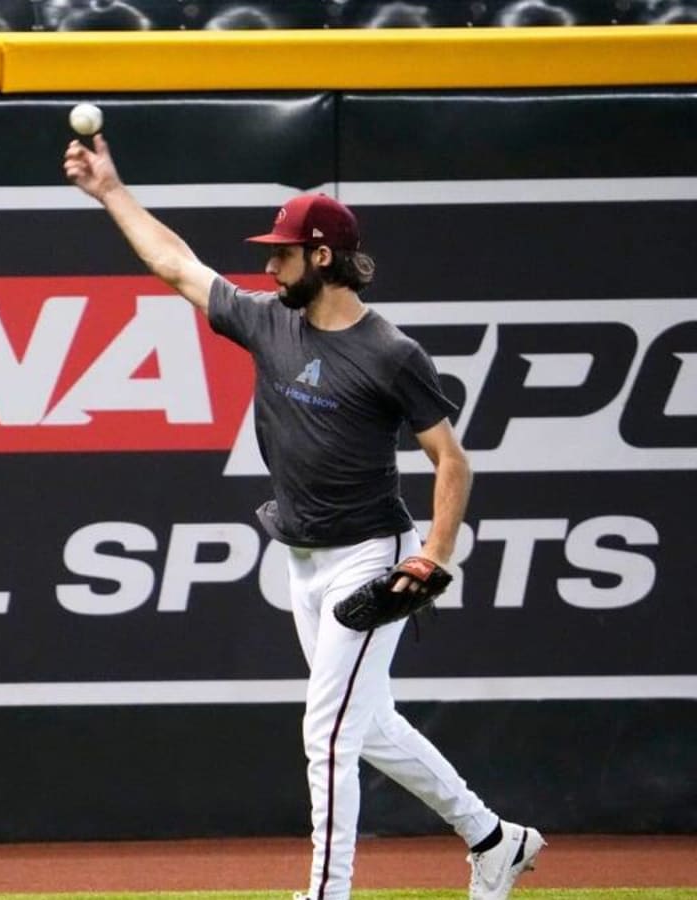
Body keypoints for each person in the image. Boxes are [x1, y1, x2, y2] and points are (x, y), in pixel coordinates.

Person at [62, 133, 544, 900]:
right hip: (304, 557)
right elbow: (175, 264)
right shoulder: (266, 322)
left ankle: (327, 894)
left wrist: (433, 558)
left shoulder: (390, 352)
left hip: (371, 557)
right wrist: (111, 190)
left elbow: (451, 460)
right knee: (370, 725)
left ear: (323, 257)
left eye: (284, 252)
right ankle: (496, 838)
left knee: (327, 733)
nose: (268, 264)